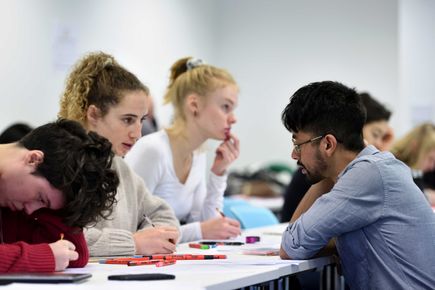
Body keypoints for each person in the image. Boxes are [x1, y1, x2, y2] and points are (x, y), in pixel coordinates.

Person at [279, 81, 435, 289]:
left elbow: (290, 247)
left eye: (298, 144)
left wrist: (324, 179)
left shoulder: (366, 175)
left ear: (328, 144)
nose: (294, 154)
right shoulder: (377, 167)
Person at [58, 51, 179, 256]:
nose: (137, 134)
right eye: (127, 120)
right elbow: (61, 237)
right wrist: (134, 243)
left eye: (141, 120)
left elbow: (164, 216)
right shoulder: (61, 165)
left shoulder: (120, 167)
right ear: (93, 114)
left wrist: (153, 237)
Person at [125, 57, 241, 242]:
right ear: (194, 105)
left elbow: (206, 222)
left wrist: (218, 173)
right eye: (225, 107)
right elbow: (130, 233)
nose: (233, 118)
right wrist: (200, 231)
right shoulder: (153, 150)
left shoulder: (197, 154)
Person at [0, 119, 118, 273]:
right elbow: (54, 256)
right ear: (33, 159)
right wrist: (42, 257)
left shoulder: (12, 198)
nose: (31, 211)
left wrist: (61, 206)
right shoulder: (13, 197)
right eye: (40, 198)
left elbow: (76, 255)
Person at [280, 91, 392, 222]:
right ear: (355, 129)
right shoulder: (312, 173)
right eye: (375, 134)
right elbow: (296, 237)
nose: (379, 143)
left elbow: (295, 239)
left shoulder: (364, 176)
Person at [391, 122, 435, 191]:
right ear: (415, 147)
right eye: (430, 159)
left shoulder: (417, 170)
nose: (432, 167)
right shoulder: (392, 166)